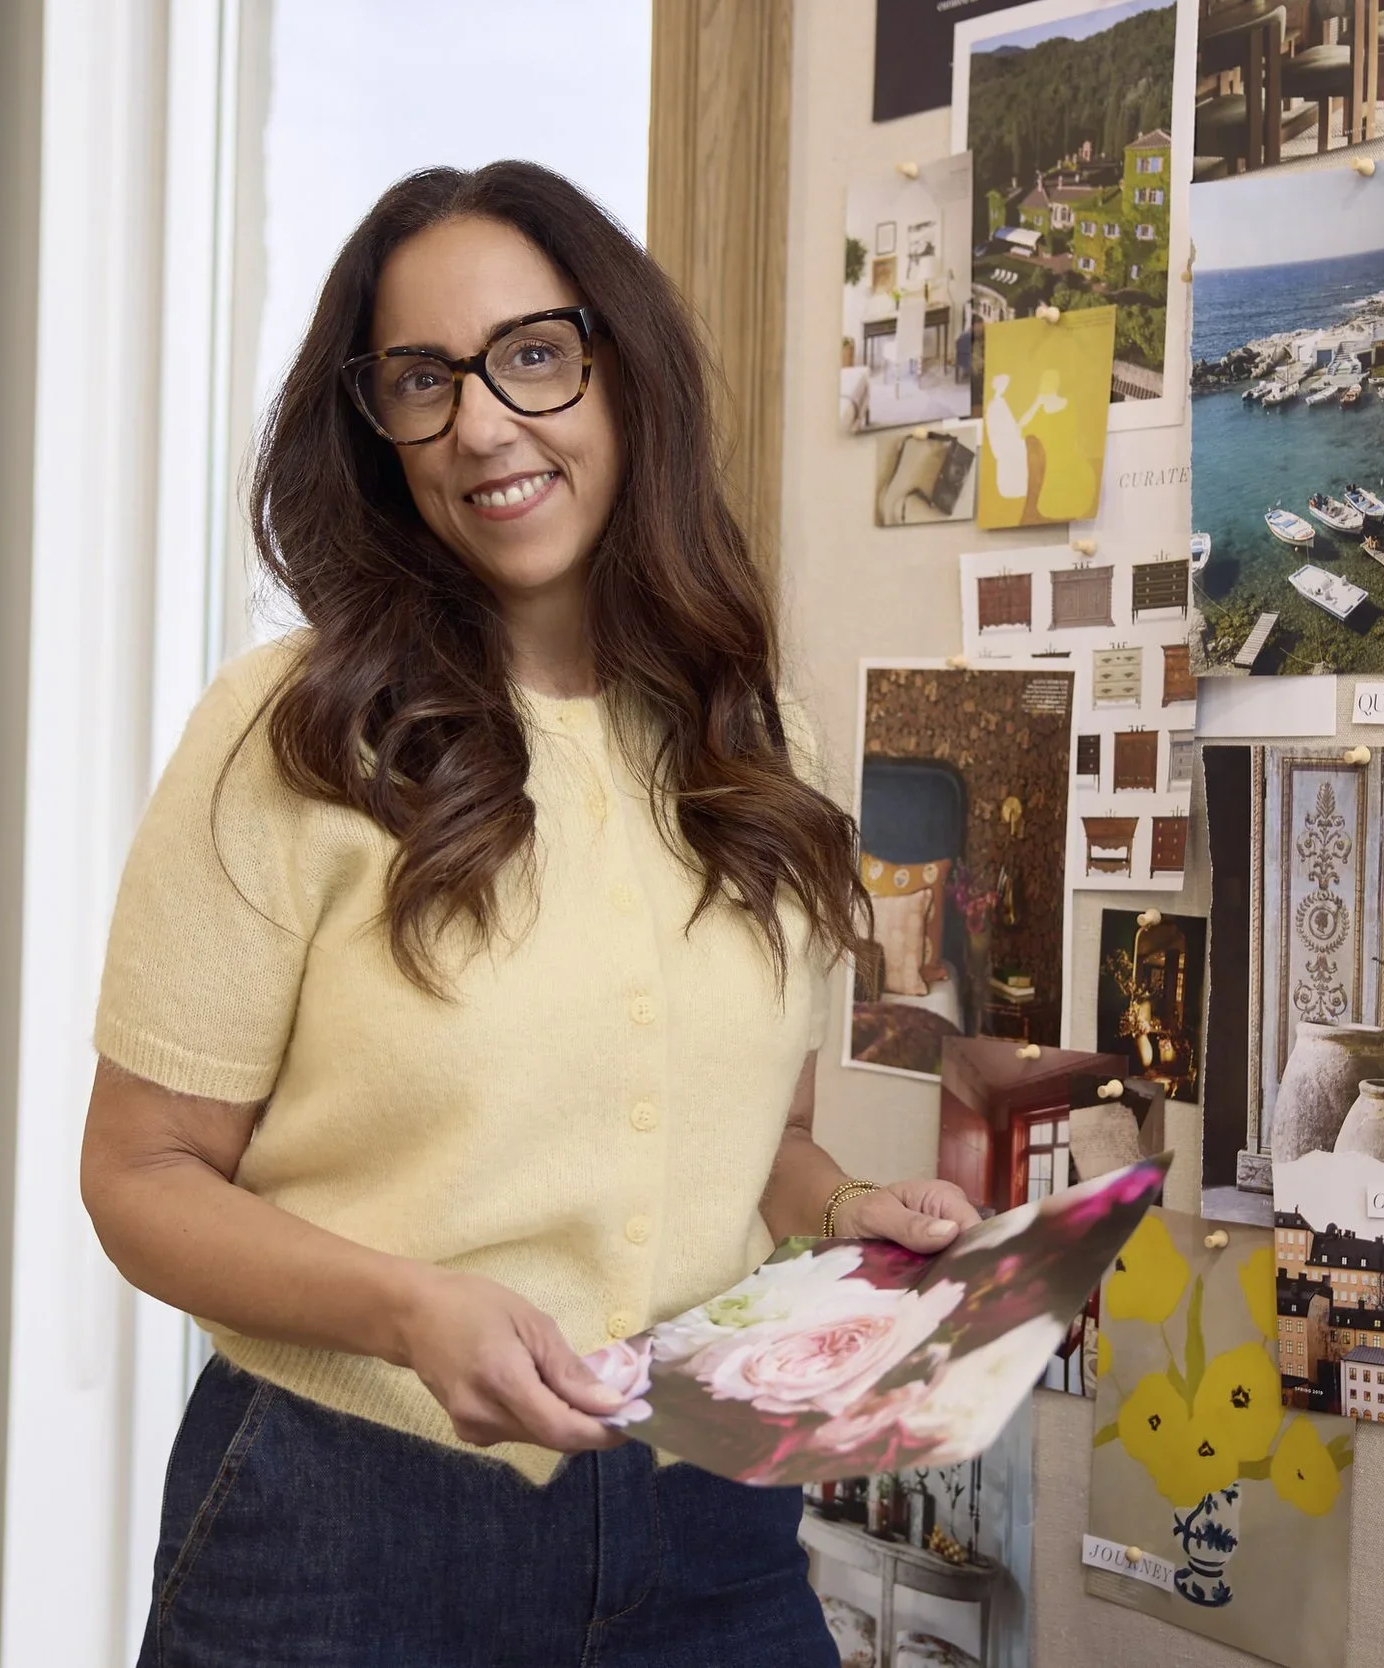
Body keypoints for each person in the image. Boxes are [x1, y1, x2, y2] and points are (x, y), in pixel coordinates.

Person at [80, 161, 979, 1667]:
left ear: (621, 369)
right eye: (420, 381)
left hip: (713, 1515)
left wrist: (838, 1208)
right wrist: (408, 1312)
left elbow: (740, 1130)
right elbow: (141, 1177)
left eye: (533, 356)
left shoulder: (758, 740)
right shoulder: (292, 732)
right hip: (348, 1525)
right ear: (376, 425)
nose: (483, 424)